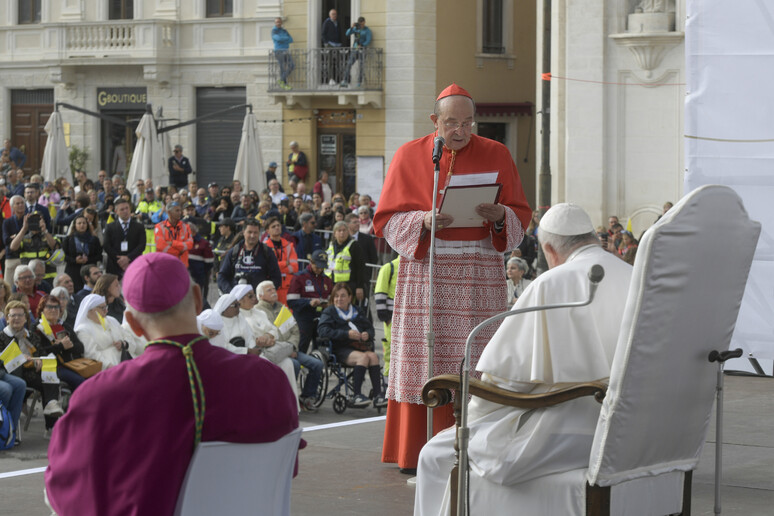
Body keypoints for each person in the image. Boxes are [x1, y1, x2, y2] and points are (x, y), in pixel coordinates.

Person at [414, 203, 634, 515]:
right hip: (626, 433)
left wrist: (476, 409)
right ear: (592, 239)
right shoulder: (634, 276)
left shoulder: (551, 283)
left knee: (436, 453)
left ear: (548, 249)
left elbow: (506, 379)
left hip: (568, 435)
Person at [45, 253, 300, 515]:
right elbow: (286, 468)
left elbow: (65, 492)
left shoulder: (99, 395)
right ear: (199, 300)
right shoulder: (269, 380)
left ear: (133, 324)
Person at [373, 83, 532, 471]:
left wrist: (500, 217)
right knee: (424, 360)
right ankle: (417, 452)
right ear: (435, 121)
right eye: (450, 123)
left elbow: (519, 215)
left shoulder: (498, 153)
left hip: (478, 274)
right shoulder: (410, 155)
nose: (459, 131)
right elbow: (385, 221)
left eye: (466, 122)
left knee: (472, 358)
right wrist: (422, 220)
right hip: (426, 274)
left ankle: (473, 446)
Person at [255, 280, 323, 412]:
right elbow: (269, 336)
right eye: (269, 290)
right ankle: (289, 398)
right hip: (275, 352)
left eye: (274, 288)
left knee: (317, 364)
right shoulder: (258, 312)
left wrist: (291, 346)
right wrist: (286, 349)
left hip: (291, 349)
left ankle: (307, 397)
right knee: (295, 365)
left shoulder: (282, 308)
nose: (274, 291)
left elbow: (295, 330)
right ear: (261, 295)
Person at [0, 300, 64, 438]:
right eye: (12, 315)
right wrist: (20, 358)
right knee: (48, 381)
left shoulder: (32, 336)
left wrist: (40, 359)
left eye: (20, 315)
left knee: (49, 370)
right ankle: (51, 418)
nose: (16, 318)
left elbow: (41, 353)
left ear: (25, 318)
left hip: (34, 373)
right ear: (7, 318)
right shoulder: (1, 337)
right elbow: (3, 362)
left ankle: (51, 412)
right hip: (13, 374)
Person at [317, 282, 386, 409]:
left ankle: (378, 395)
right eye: (336, 296)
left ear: (350, 297)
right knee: (363, 358)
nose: (339, 299)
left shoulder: (356, 311)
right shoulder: (330, 312)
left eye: (343, 296)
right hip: (340, 348)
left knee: (374, 357)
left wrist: (367, 334)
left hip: (359, 346)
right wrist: (346, 334)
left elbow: (370, 328)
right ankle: (357, 395)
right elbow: (323, 331)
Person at [232, 284, 300, 409]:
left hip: (271, 348)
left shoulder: (259, 312)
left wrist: (269, 336)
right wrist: (259, 341)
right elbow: (243, 339)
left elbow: (274, 329)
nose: (254, 298)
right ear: (240, 300)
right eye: (250, 296)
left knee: (287, 363)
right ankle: (269, 407)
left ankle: (290, 406)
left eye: (253, 295)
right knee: (266, 365)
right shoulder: (237, 315)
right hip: (255, 353)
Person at [33, 294, 86, 391]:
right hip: (52, 367)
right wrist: (60, 346)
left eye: (56, 307)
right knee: (81, 383)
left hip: (72, 364)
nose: (53, 310)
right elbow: (39, 352)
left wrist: (69, 345)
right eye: (49, 307)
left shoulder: (65, 326)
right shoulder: (36, 328)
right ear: (42, 310)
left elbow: (80, 347)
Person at [75, 293, 141, 370]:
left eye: (106, 307)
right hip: (108, 369)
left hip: (127, 360)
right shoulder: (83, 329)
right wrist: (110, 367)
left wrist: (124, 344)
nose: (106, 310)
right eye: (102, 308)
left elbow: (128, 337)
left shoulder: (112, 320)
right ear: (91, 310)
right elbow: (91, 354)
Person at [287, 249, 333, 353]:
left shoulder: (327, 280)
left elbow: (331, 299)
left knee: (321, 351)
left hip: (321, 319)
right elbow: (291, 301)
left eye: (322, 267)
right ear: (311, 262)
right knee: (301, 349)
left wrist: (328, 304)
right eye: (317, 266)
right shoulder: (299, 277)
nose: (320, 269)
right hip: (304, 319)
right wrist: (309, 303)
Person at [218, 219, 282, 293]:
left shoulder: (267, 252)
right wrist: (231, 293)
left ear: (259, 233)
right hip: (237, 300)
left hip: (259, 300)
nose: (252, 235)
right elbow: (222, 276)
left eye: (255, 233)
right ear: (243, 232)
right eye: (250, 232)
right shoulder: (234, 251)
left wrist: (265, 294)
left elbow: (276, 278)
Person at [326, 221, 367, 310]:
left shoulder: (354, 245)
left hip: (349, 285)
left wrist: (359, 286)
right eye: (339, 230)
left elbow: (361, 267)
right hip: (332, 283)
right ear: (334, 233)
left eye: (344, 230)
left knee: (349, 309)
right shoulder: (331, 245)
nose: (342, 233)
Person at [103, 198, 146, 278]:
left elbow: (142, 245)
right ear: (116, 211)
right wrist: (120, 261)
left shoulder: (139, 227)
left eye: (127, 208)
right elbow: (106, 246)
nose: (125, 211)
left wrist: (128, 258)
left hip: (134, 265)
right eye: (122, 209)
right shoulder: (110, 227)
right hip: (114, 267)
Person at [374, 255, 400, 377]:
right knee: (391, 353)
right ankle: (388, 387)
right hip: (392, 319)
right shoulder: (389, 268)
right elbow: (380, 294)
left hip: (404, 320)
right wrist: (387, 319)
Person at [62, 215, 103, 292]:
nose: (82, 225)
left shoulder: (94, 239)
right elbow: (64, 256)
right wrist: (75, 260)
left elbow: (99, 256)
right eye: (79, 223)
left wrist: (87, 260)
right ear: (75, 225)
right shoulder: (68, 239)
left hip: (88, 272)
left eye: (84, 223)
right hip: (73, 271)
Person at [262, 217, 298, 304]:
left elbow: (294, 268)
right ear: (267, 231)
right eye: (273, 226)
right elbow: (267, 268)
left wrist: (276, 266)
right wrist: (285, 263)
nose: (277, 228)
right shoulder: (264, 247)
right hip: (271, 287)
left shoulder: (289, 245)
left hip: (287, 287)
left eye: (278, 225)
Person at [154, 202, 193, 267]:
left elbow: (190, 245)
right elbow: (161, 246)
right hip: (164, 265)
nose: (180, 213)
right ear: (169, 212)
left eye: (180, 210)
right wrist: (178, 252)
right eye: (177, 210)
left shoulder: (186, 227)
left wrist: (172, 243)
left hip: (181, 266)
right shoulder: (159, 227)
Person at [341, 17, 372, 88]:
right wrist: (352, 27)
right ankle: (345, 80)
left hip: (362, 50)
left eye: (362, 24)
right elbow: (347, 34)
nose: (361, 25)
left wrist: (362, 45)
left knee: (361, 66)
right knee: (349, 64)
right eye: (360, 24)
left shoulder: (367, 30)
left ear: (364, 22)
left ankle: (359, 82)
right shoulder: (356, 28)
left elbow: (368, 40)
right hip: (355, 49)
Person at [321, 9, 342, 86]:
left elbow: (339, 33)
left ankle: (337, 79)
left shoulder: (337, 23)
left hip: (337, 45)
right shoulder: (327, 22)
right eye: (333, 14)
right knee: (330, 62)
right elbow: (323, 33)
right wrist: (326, 43)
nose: (334, 15)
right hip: (330, 44)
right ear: (330, 15)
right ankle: (330, 79)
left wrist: (340, 42)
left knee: (337, 62)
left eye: (335, 14)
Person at [272, 17, 294, 89]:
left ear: (281, 22)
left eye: (279, 22)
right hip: (279, 51)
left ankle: (281, 80)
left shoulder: (284, 30)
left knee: (292, 65)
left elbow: (291, 40)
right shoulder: (274, 31)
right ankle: (284, 84)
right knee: (282, 68)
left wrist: (283, 38)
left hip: (286, 50)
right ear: (275, 23)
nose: (278, 23)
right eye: (277, 22)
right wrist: (285, 38)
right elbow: (278, 39)